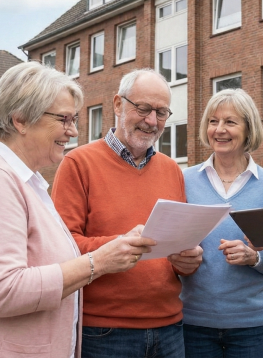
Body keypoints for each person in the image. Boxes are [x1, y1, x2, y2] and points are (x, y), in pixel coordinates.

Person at [0, 62, 155, 358]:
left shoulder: (28, 182)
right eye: (64, 119)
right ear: (21, 119)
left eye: (74, 119)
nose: (73, 131)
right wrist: (98, 262)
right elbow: (4, 291)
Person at [52, 68, 203, 358]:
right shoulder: (77, 164)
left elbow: (177, 249)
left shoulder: (172, 170)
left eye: (161, 112)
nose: (151, 121)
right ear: (118, 105)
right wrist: (118, 246)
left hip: (170, 328)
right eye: (143, 108)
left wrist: (188, 259)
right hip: (104, 332)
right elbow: (61, 246)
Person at [180, 89, 263, 357]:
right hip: (192, 325)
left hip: (252, 327)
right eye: (212, 121)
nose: (219, 129)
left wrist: (255, 258)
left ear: (248, 129)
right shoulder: (185, 181)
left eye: (230, 122)